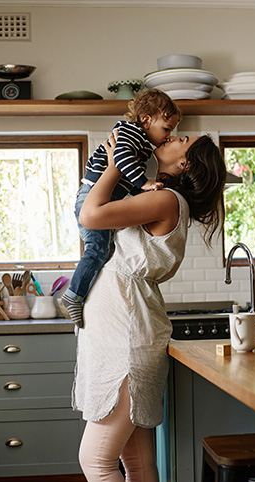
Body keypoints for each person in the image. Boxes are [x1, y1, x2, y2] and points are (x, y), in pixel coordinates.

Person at [72, 130, 226, 482]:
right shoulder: (158, 194)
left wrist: (112, 167)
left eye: (182, 138)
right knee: (136, 462)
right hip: (126, 331)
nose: (172, 135)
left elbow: (90, 215)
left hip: (125, 339)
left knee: (95, 460)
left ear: (185, 163)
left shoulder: (168, 200)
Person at [60, 88, 183, 329]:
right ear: (146, 120)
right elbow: (122, 159)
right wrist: (144, 183)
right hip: (90, 194)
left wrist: (141, 191)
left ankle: (79, 293)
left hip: (103, 195)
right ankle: (73, 296)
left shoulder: (143, 141)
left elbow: (124, 177)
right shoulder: (131, 132)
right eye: (167, 129)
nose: (169, 135)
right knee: (96, 250)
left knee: (103, 250)